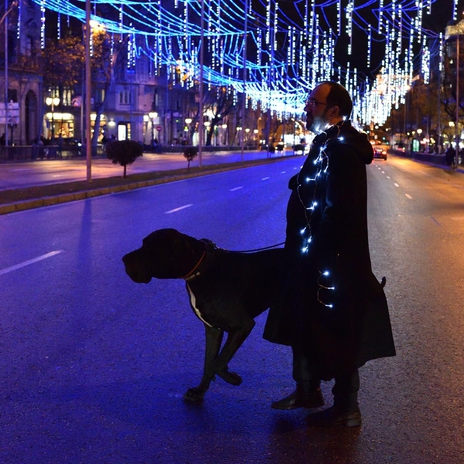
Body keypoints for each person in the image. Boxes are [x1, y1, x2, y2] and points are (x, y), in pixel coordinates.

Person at [263, 81, 396, 427]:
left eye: (314, 103)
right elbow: (315, 191)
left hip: (333, 262)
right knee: (307, 323)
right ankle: (308, 390)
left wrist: (317, 253)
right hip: (315, 257)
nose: (307, 108)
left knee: (340, 330)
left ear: (333, 110)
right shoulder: (326, 143)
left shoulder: (341, 151)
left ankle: (347, 408)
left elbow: (340, 211)